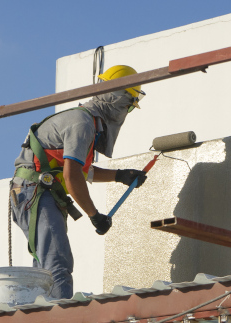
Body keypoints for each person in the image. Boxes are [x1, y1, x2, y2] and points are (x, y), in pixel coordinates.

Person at [10, 65, 147, 299]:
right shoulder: (82, 124)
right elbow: (71, 176)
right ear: (117, 99)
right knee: (56, 264)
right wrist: (94, 215)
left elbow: (81, 171)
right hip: (36, 191)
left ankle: (42, 317)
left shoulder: (86, 124)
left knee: (45, 267)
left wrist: (119, 175)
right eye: (128, 105)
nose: (127, 111)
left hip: (35, 191)